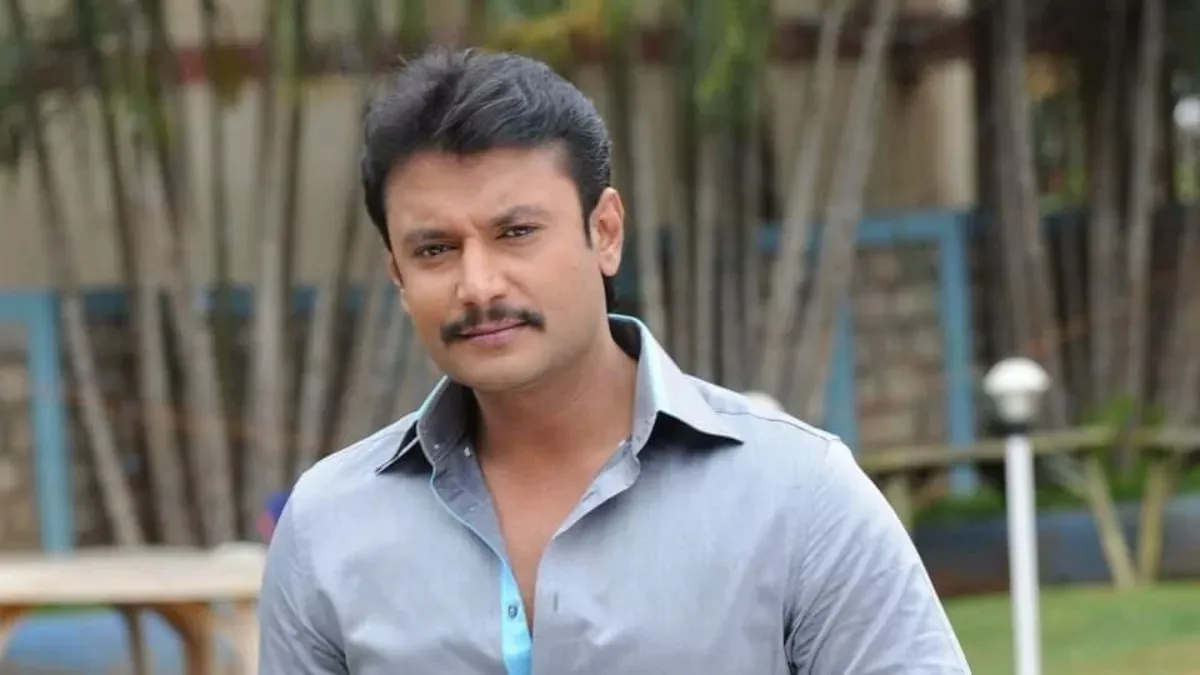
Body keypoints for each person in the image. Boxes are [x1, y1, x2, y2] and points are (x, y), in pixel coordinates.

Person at [258, 47, 970, 675]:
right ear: (397, 274)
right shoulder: (329, 527)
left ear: (604, 232)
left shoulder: (796, 496)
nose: (478, 285)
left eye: (516, 232)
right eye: (435, 249)